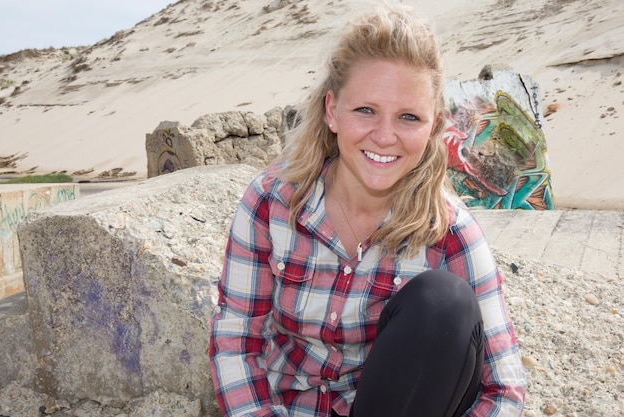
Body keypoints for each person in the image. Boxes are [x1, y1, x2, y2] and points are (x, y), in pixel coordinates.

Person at [209, 3, 527, 416]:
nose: (384, 136)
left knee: (445, 302)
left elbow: (503, 389)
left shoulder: (448, 232)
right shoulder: (272, 202)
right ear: (332, 111)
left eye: (408, 117)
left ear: (433, 129)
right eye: (365, 110)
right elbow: (236, 338)